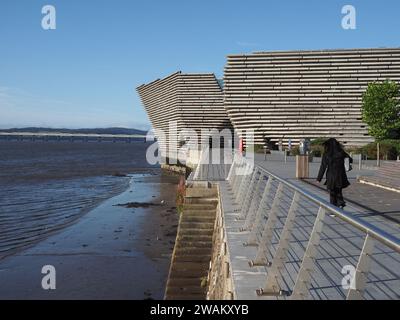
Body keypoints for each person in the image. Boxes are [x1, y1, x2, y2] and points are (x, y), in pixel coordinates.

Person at [317, 138, 353, 208]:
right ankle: (340, 203)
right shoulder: (341, 152)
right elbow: (350, 160)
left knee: (332, 193)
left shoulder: (326, 154)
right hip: (340, 175)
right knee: (339, 191)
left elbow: (323, 167)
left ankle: (334, 210)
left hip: (331, 176)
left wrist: (319, 178)